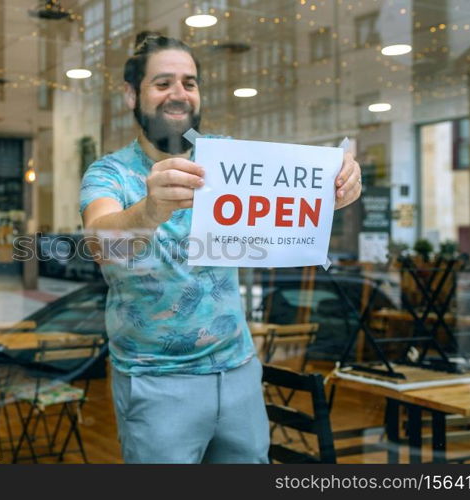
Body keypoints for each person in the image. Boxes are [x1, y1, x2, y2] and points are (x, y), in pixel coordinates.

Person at [80, 32, 362, 463]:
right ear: (130, 95)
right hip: (156, 383)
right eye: (163, 83)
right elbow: (102, 244)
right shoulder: (109, 173)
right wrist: (151, 209)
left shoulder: (228, 158)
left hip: (238, 373)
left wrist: (338, 183)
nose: (179, 94)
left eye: (189, 83)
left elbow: (302, 187)